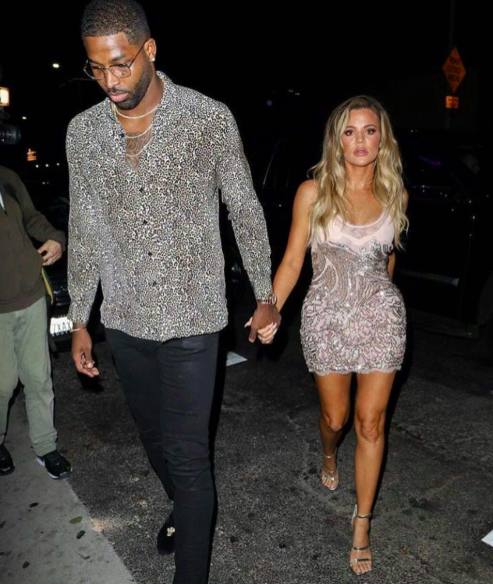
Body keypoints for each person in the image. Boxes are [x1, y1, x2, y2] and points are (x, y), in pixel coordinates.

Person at [67, 1, 279, 583]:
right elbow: (84, 227)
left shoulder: (207, 118)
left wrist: (264, 292)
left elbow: (244, 208)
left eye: (121, 64)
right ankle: (185, 511)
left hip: (193, 316)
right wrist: (80, 317)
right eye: (96, 68)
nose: (110, 80)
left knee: (189, 458)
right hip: (125, 318)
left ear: (150, 50)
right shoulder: (83, 134)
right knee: (155, 440)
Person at [257, 95, 408, 575]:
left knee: (371, 424)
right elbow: (292, 261)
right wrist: (271, 306)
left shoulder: (395, 194)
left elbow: (387, 261)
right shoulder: (313, 192)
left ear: (382, 139)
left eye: (369, 130)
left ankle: (362, 523)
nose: (360, 140)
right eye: (349, 130)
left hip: (380, 319)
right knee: (336, 417)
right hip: (326, 317)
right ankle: (328, 451)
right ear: (336, 139)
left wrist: (380, 300)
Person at [0, 164, 72, 479]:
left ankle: (46, 447)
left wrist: (55, 237)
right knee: (2, 384)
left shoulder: (7, 177)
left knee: (38, 378)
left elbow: (31, 217)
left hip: (30, 295)